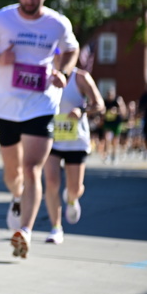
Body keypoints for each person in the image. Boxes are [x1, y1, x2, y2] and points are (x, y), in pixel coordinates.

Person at [0, 0, 79, 259]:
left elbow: (72, 49)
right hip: (6, 106)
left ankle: (25, 231)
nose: (29, 1)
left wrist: (63, 72)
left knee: (32, 169)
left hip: (41, 104)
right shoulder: (0, 19)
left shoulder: (57, 23)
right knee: (12, 173)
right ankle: (17, 197)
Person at [42, 68, 104, 245]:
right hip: (51, 137)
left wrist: (81, 110)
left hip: (76, 140)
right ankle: (56, 228)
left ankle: (71, 198)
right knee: (51, 182)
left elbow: (99, 104)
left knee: (75, 188)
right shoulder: (45, 72)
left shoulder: (80, 77)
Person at [101, 88, 127, 164]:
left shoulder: (118, 100)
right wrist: (103, 112)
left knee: (115, 140)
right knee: (107, 139)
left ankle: (114, 156)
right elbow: (102, 111)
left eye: (111, 95)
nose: (109, 97)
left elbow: (124, 112)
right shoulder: (105, 102)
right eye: (108, 95)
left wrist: (117, 110)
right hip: (108, 123)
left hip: (116, 123)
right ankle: (106, 155)